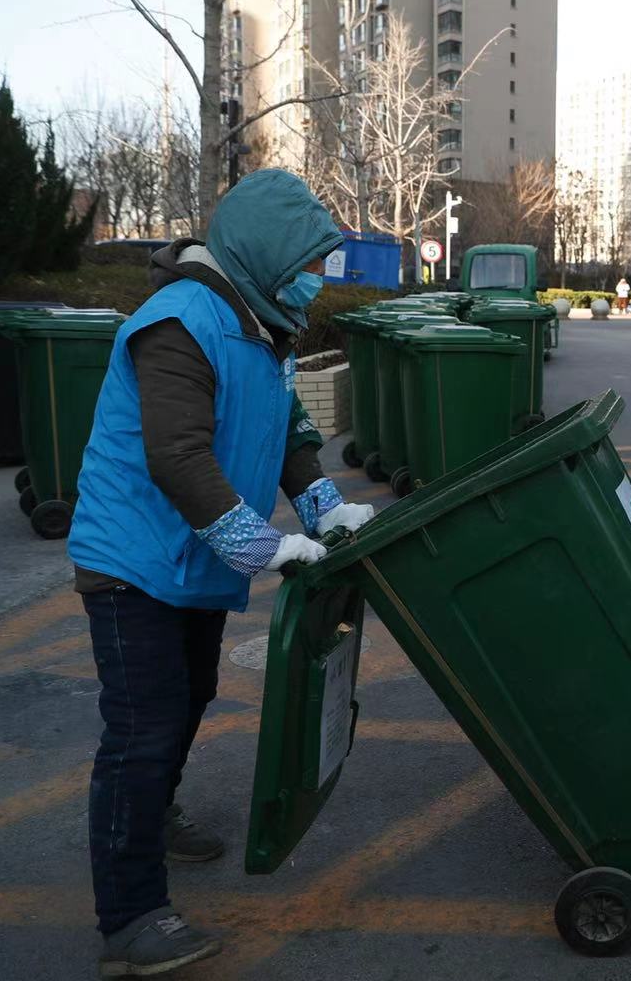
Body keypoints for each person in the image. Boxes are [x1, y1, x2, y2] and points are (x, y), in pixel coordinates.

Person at [67, 169, 377, 977]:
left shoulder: (263, 326)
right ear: (268, 254)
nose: (318, 277)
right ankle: (129, 919)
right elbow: (177, 455)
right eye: (309, 260)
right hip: (132, 560)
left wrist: (322, 508)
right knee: (141, 730)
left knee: (188, 700)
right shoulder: (178, 322)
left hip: (188, 560)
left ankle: (150, 813)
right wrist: (262, 547)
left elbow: (287, 427)